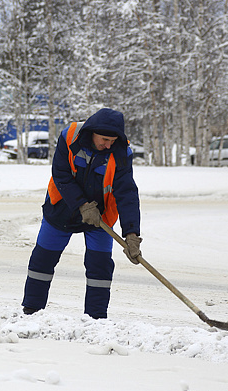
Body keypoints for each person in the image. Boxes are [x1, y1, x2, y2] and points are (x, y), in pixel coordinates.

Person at [21, 108, 142, 319]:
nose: (108, 145)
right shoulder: (70, 136)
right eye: (104, 139)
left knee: (100, 267)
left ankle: (95, 320)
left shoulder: (121, 152)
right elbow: (61, 174)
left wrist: (132, 234)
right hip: (61, 210)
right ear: (92, 131)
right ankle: (31, 313)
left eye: (112, 140)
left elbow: (127, 193)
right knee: (42, 260)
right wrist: (83, 205)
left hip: (101, 217)